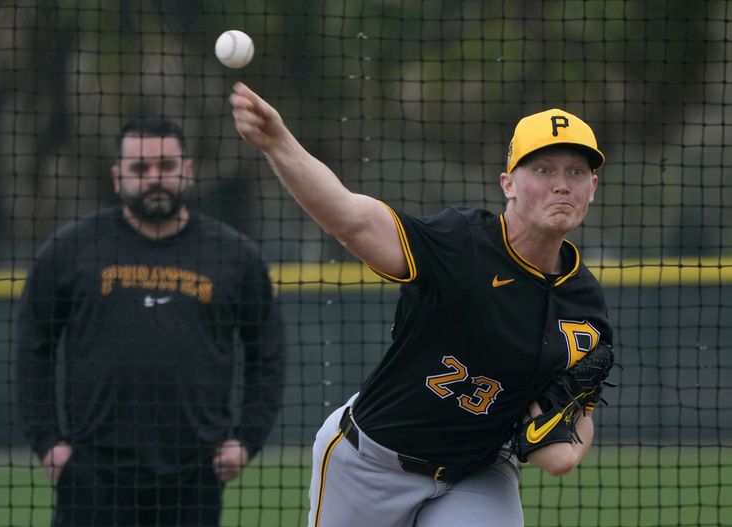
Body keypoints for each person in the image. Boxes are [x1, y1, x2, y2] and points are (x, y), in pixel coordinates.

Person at [230, 82, 613, 527]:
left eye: (576, 172)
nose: (562, 185)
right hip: (369, 465)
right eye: (543, 170)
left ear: (593, 187)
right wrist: (278, 142)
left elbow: (580, 407)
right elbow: (350, 219)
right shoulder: (461, 244)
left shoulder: (585, 303)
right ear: (507, 183)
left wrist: (571, 452)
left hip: (478, 474)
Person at [15, 116, 286, 527]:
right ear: (117, 176)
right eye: (140, 169)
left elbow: (267, 354)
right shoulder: (69, 250)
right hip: (92, 474)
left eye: (166, 166)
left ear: (188, 171)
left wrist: (246, 439)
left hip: (195, 474)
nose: (154, 178)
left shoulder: (235, 257)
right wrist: (48, 445)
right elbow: (33, 350)